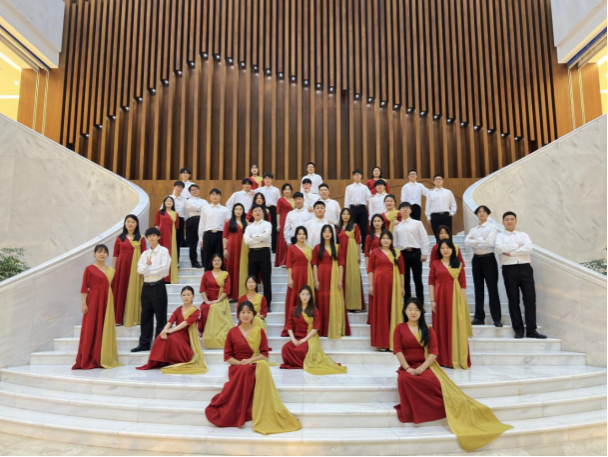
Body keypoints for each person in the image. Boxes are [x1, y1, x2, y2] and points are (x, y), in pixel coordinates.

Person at [393, 299, 512, 452]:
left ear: (421, 312)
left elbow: (434, 352)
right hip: (408, 366)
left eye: (416, 309)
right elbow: (398, 350)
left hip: (426, 365)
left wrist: (422, 367)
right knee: (404, 379)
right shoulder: (399, 328)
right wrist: (408, 368)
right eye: (410, 309)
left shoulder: (428, 329)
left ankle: (443, 408)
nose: (413, 312)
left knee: (432, 381)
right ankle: (414, 413)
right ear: (405, 311)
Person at [205, 302, 302, 435]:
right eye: (243, 312)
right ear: (238, 314)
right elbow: (227, 357)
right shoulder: (232, 332)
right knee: (244, 370)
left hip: (254, 364)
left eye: (249, 312)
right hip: (237, 367)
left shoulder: (259, 331)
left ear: (253, 315)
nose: (246, 315)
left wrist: (250, 361)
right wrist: (240, 363)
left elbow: (264, 354)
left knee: (249, 369)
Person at [495, 212, 547, 340]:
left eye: (512, 219)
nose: (509, 221)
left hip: (525, 268)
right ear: (503, 222)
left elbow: (529, 249)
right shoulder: (499, 236)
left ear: (516, 221)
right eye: (507, 219)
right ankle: (518, 330)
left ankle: (531, 330)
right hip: (508, 269)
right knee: (513, 300)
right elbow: (499, 249)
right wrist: (517, 247)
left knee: (530, 299)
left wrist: (511, 252)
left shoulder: (523, 235)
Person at [137, 286, 208, 375]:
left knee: (172, 338)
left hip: (186, 336)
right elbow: (171, 321)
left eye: (188, 295)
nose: (186, 297)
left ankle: (178, 359)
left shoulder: (196, 311)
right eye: (184, 295)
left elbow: (185, 323)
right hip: (177, 333)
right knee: (160, 337)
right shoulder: (178, 309)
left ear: (193, 296)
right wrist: (164, 330)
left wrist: (171, 331)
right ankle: (158, 361)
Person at [73, 245, 121, 370]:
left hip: (107, 302)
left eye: (105, 252)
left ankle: (101, 357)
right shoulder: (89, 269)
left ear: (108, 255)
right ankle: (88, 357)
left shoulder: (111, 271)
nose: (102, 254)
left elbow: (114, 289)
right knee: (90, 328)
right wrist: (84, 304)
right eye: (99, 252)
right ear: (94, 254)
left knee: (104, 328)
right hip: (93, 301)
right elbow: (84, 288)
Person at [281, 285, 347, 374]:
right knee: (285, 348)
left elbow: (315, 328)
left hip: (310, 338)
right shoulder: (294, 310)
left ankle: (303, 364)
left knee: (301, 350)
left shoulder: (314, 310)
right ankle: (299, 363)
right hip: (297, 337)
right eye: (303, 294)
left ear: (310, 297)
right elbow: (289, 326)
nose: (305, 297)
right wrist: (293, 339)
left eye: (308, 295)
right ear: (299, 295)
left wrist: (305, 339)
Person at [429, 240, 472, 370]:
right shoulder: (435, 264)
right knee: (440, 327)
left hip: (455, 299)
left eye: (448, 247)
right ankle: (441, 358)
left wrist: (461, 303)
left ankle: (455, 358)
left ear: (453, 250)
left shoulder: (458, 264)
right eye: (442, 248)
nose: (445, 250)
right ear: (439, 250)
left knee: (455, 327)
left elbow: (463, 285)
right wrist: (432, 300)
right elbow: (431, 283)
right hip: (439, 298)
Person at [132, 228, 171, 353]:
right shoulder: (145, 253)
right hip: (146, 287)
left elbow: (164, 269)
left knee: (160, 316)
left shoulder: (164, 251)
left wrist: (147, 270)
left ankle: (159, 345)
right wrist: (148, 267)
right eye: (149, 236)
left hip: (158, 286)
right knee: (145, 316)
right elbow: (139, 270)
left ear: (158, 237)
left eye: (154, 235)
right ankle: (144, 344)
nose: (151, 238)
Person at [367, 231, 405, 352]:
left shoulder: (397, 253)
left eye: (388, 238)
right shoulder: (375, 252)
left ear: (391, 240)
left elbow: (402, 271)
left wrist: (402, 286)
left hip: (394, 286)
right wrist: (371, 285)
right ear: (380, 240)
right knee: (381, 312)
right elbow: (370, 269)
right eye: (383, 238)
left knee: (392, 311)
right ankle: (382, 342)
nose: (386, 240)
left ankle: (394, 342)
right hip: (379, 286)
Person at [466, 206, 502, 328]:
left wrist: (475, 241)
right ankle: (479, 317)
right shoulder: (473, 229)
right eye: (479, 212)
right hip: (476, 259)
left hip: (489, 259)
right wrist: (481, 240)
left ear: (487, 214)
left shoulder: (492, 227)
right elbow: (466, 243)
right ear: (476, 214)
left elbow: (490, 242)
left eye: (484, 211)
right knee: (478, 289)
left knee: (493, 289)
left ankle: (496, 318)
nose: (481, 213)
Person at [312, 225, 351, 339]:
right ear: (322, 234)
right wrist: (316, 280)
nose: (327, 233)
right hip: (321, 276)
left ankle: (334, 327)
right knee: (321, 301)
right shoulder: (317, 248)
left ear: (332, 234)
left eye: (329, 231)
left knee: (333, 301)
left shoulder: (337, 247)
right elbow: (314, 265)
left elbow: (341, 265)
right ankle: (322, 328)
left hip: (334, 278)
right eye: (325, 231)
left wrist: (340, 279)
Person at [112, 214, 147, 327]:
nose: (130, 224)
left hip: (136, 269)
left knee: (134, 291)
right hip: (121, 269)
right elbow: (115, 254)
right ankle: (118, 319)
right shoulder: (119, 238)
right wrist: (114, 270)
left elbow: (144, 255)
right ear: (125, 224)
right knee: (121, 291)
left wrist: (143, 270)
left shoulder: (141, 238)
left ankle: (133, 317)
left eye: (133, 222)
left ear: (136, 224)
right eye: (128, 221)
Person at [394, 203, 430, 303]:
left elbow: (424, 238)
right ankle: (407, 303)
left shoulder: (417, 223)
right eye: (403, 208)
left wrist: (424, 253)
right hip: (402, 254)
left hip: (415, 253)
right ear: (399, 211)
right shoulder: (397, 226)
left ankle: (420, 303)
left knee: (417, 279)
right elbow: (395, 243)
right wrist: (396, 256)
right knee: (405, 280)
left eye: (407, 208)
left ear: (410, 210)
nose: (405, 209)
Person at [282, 226, 315, 337]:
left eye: (303, 234)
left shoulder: (310, 249)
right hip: (296, 276)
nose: (301, 236)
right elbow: (289, 265)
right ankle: (292, 328)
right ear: (296, 235)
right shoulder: (291, 248)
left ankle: (305, 327)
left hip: (307, 276)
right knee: (294, 300)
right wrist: (290, 278)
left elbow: (313, 265)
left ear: (306, 236)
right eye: (299, 234)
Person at [199, 254, 235, 349]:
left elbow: (226, 290)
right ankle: (206, 331)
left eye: (219, 260)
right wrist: (206, 301)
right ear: (212, 262)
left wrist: (218, 300)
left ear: (222, 262)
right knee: (204, 308)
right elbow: (202, 289)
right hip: (209, 300)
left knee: (214, 307)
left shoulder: (225, 274)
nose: (217, 262)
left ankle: (216, 332)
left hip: (221, 300)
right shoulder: (206, 274)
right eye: (215, 260)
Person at [244, 205, 274, 312]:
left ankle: (267, 304)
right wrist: (260, 238)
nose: (257, 212)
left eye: (259, 210)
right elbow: (246, 241)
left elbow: (266, 236)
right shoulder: (249, 227)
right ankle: (254, 304)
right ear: (252, 213)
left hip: (264, 253)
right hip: (253, 253)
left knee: (266, 280)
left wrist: (254, 237)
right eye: (255, 210)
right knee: (253, 280)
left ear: (263, 213)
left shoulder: (267, 224)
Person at [337, 208, 365, 313]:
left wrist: (358, 255)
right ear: (341, 215)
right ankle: (344, 304)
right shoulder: (338, 228)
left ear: (350, 216)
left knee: (353, 277)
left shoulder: (354, 226)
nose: (345, 216)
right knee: (342, 276)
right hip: (341, 253)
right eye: (343, 214)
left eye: (347, 214)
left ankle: (355, 305)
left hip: (351, 253)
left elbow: (358, 241)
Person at [198, 189, 230, 271]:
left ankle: (220, 276)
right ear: (210, 197)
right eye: (213, 194)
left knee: (219, 257)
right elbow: (202, 224)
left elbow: (227, 226)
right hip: (208, 235)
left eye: (217, 195)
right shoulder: (205, 208)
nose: (215, 196)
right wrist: (201, 238)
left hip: (220, 235)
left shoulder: (226, 210)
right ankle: (207, 276)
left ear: (220, 197)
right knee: (207, 258)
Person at [223, 204, 249, 300]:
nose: (238, 211)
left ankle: (241, 294)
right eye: (236, 209)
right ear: (233, 211)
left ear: (243, 211)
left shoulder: (246, 222)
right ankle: (231, 294)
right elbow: (224, 236)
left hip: (243, 248)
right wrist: (225, 249)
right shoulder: (229, 222)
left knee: (242, 269)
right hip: (232, 248)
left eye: (240, 209)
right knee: (231, 269)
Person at [365, 214, 387, 326]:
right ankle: (373, 317)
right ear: (372, 223)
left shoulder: (386, 235)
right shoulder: (369, 237)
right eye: (375, 221)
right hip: (375, 266)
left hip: (385, 265)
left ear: (382, 222)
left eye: (379, 221)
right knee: (374, 291)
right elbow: (366, 254)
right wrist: (368, 268)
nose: (377, 223)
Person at [345, 169, 372, 252]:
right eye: (355, 175)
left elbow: (369, 198)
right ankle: (353, 247)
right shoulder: (349, 187)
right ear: (353, 176)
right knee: (352, 228)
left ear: (361, 176)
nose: (357, 176)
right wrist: (346, 211)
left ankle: (364, 248)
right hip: (353, 209)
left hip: (362, 208)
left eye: (359, 174)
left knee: (364, 229)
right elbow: (347, 200)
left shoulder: (365, 187)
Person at [154, 196, 179, 283]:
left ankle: (168, 278)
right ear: (164, 203)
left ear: (173, 203)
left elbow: (176, 228)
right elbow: (156, 225)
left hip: (170, 237)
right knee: (160, 254)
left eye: (170, 201)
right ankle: (159, 277)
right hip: (161, 235)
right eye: (167, 201)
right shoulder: (159, 212)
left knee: (169, 254)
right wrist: (156, 237)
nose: (168, 202)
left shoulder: (175, 214)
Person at [426, 174, 457, 242]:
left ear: (442, 181)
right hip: (435, 216)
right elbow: (428, 206)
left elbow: (453, 204)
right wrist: (428, 217)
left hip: (446, 216)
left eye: (440, 179)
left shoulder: (448, 192)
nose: (438, 180)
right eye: (436, 179)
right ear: (434, 181)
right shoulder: (430, 193)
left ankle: (449, 248)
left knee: (448, 236)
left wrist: (451, 213)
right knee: (437, 236)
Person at [185, 184, 208, 269]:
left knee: (204, 241)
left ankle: (205, 261)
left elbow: (207, 210)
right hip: (194, 220)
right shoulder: (188, 201)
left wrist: (199, 208)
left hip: (204, 220)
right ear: (190, 192)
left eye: (196, 189)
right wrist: (201, 208)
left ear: (199, 190)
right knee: (193, 242)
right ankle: (194, 262)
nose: (195, 191)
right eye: (193, 190)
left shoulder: (204, 201)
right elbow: (194, 208)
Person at [258, 173, 281, 254]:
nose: (267, 180)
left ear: (272, 180)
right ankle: (262, 246)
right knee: (262, 227)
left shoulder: (276, 190)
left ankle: (274, 247)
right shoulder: (260, 190)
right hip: (263, 209)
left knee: (274, 228)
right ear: (263, 180)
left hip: (273, 209)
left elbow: (279, 201)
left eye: (269, 178)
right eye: (266, 178)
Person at [161, 181, 188, 251]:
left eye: (181, 187)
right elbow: (162, 210)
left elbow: (186, 212)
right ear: (174, 187)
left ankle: (176, 257)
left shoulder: (185, 200)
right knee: (167, 238)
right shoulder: (168, 198)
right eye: (178, 187)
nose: (179, 188)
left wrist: (184, 222)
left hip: (180, 220)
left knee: (177, 240)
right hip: (168, 219)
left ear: (183, 189)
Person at [276, 183, 295, 267]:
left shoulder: (293, 200)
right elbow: (278, 213)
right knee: (283, 241)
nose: (287, 191)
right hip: (283, 220)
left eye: (289, 189)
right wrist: (278, 224)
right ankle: (282, 261)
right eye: (285, 189)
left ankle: (290, 260)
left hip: (292, 220)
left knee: (290, 239)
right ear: (283, 191)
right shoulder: (280, 200)